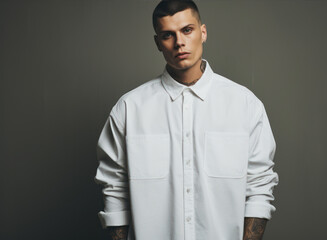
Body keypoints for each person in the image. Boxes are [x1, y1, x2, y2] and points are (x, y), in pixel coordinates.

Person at [94, 1, 279, 239]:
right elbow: (114, 191)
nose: (179, 42)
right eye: (168, 35)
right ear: (158, 43)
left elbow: (259, 188)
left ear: (203, 32)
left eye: (187, 30)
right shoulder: (129, 109)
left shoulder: (245, 105)